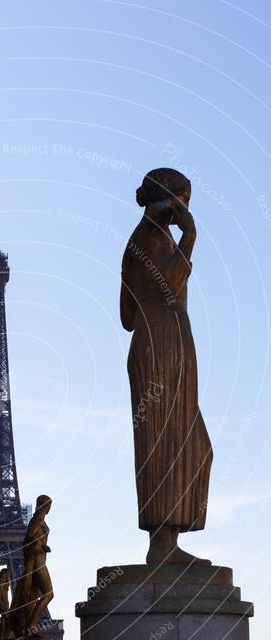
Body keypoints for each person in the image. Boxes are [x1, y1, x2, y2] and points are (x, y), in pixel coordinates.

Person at [120, 168, 213, 567]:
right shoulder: (145, 241)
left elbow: (125, 313)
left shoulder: (152, 241)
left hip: (170, 346)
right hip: (159, 349)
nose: (186, 212)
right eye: (183, 202)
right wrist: (189, 239)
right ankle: (162, 545)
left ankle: (169, 542)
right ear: (168, 200)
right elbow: (164, 289)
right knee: (165, 442)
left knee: (193, 447)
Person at [8, 494, 54, 638]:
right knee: (49, 594)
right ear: (45, 505)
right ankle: (31, 626)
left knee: (33, 597)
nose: (50, 509)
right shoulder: (38, 518)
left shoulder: (38, 518)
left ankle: (30, 626)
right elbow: (29, 536)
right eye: (49, 506)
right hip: (38, 563)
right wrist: (43, 546)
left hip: (38, 561)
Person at [0, 568, 13, 640]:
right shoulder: (0, 583)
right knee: (8, 623)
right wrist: (2, 606)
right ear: (4, 574)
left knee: (4, 623)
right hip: (4, 607)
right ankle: (3, 638)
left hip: (6, 606)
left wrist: (8, 578)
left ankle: (2, 639)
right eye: (7, 574)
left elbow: (8, 583)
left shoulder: (5, 584)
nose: (9, 576)